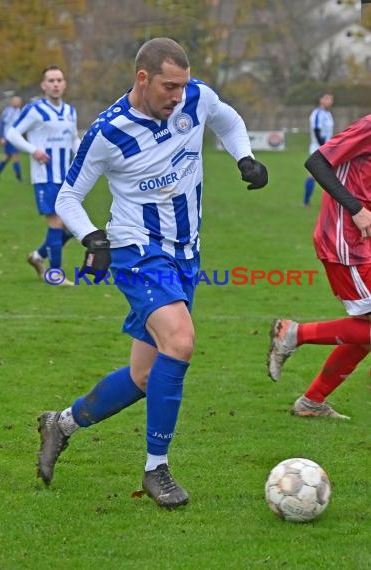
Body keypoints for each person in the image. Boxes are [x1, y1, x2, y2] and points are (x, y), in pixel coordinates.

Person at [36, 37, 268, 508]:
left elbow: (227, 117)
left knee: (145, 376)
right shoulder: (109, 130)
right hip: (137, 250)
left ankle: (60, 424)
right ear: (143, 78)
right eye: (169, 86)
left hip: (186, 254)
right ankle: (155, 469)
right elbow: (68, 198)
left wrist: (242, 155)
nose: (178, 96)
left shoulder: (195, 97)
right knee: (180, 341)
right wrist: (93, 239)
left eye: (182, 86)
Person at [268, 114, 371, 419]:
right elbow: (316, 162)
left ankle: (311, 401)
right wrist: (355, 208)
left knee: (366, 332)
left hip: (362, 240)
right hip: (345, 239)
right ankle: (294, 334)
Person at [6, 66, 80, 285]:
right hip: (44, 176)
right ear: (44, 85)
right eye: (51, 80)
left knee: (71, 228)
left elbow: (74, 139)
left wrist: (85, 156)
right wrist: (33, 150)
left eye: (59, 80)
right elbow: (11, 133)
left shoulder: (70, 111)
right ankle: (55, 275)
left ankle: (38, 257)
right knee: (56, 223)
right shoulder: (35, 110)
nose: (56, 84)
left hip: (65, 176)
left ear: (64, 84)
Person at [303, 93, 334, 206]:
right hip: (318, 149)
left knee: (331, 176)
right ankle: (306, 202)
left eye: (331, 99)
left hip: (327, 150)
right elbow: (316, 131)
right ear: (320, 100)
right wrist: (324, 147)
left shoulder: (329, 114)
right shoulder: (317, 114)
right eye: (327, 98)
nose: (330, 101)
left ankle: (331, 203)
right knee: (313, 176)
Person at [0, 95, 23, 183]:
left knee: (6, 158)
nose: (18, 102)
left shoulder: (19, 111)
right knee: (15, 157)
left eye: (19, 101)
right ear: (12, 102)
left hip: (15, 138)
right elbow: (2, 124)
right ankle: (19, 178)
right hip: (9, 138)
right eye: (16, 101)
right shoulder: (7, 111)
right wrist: (2, 136)